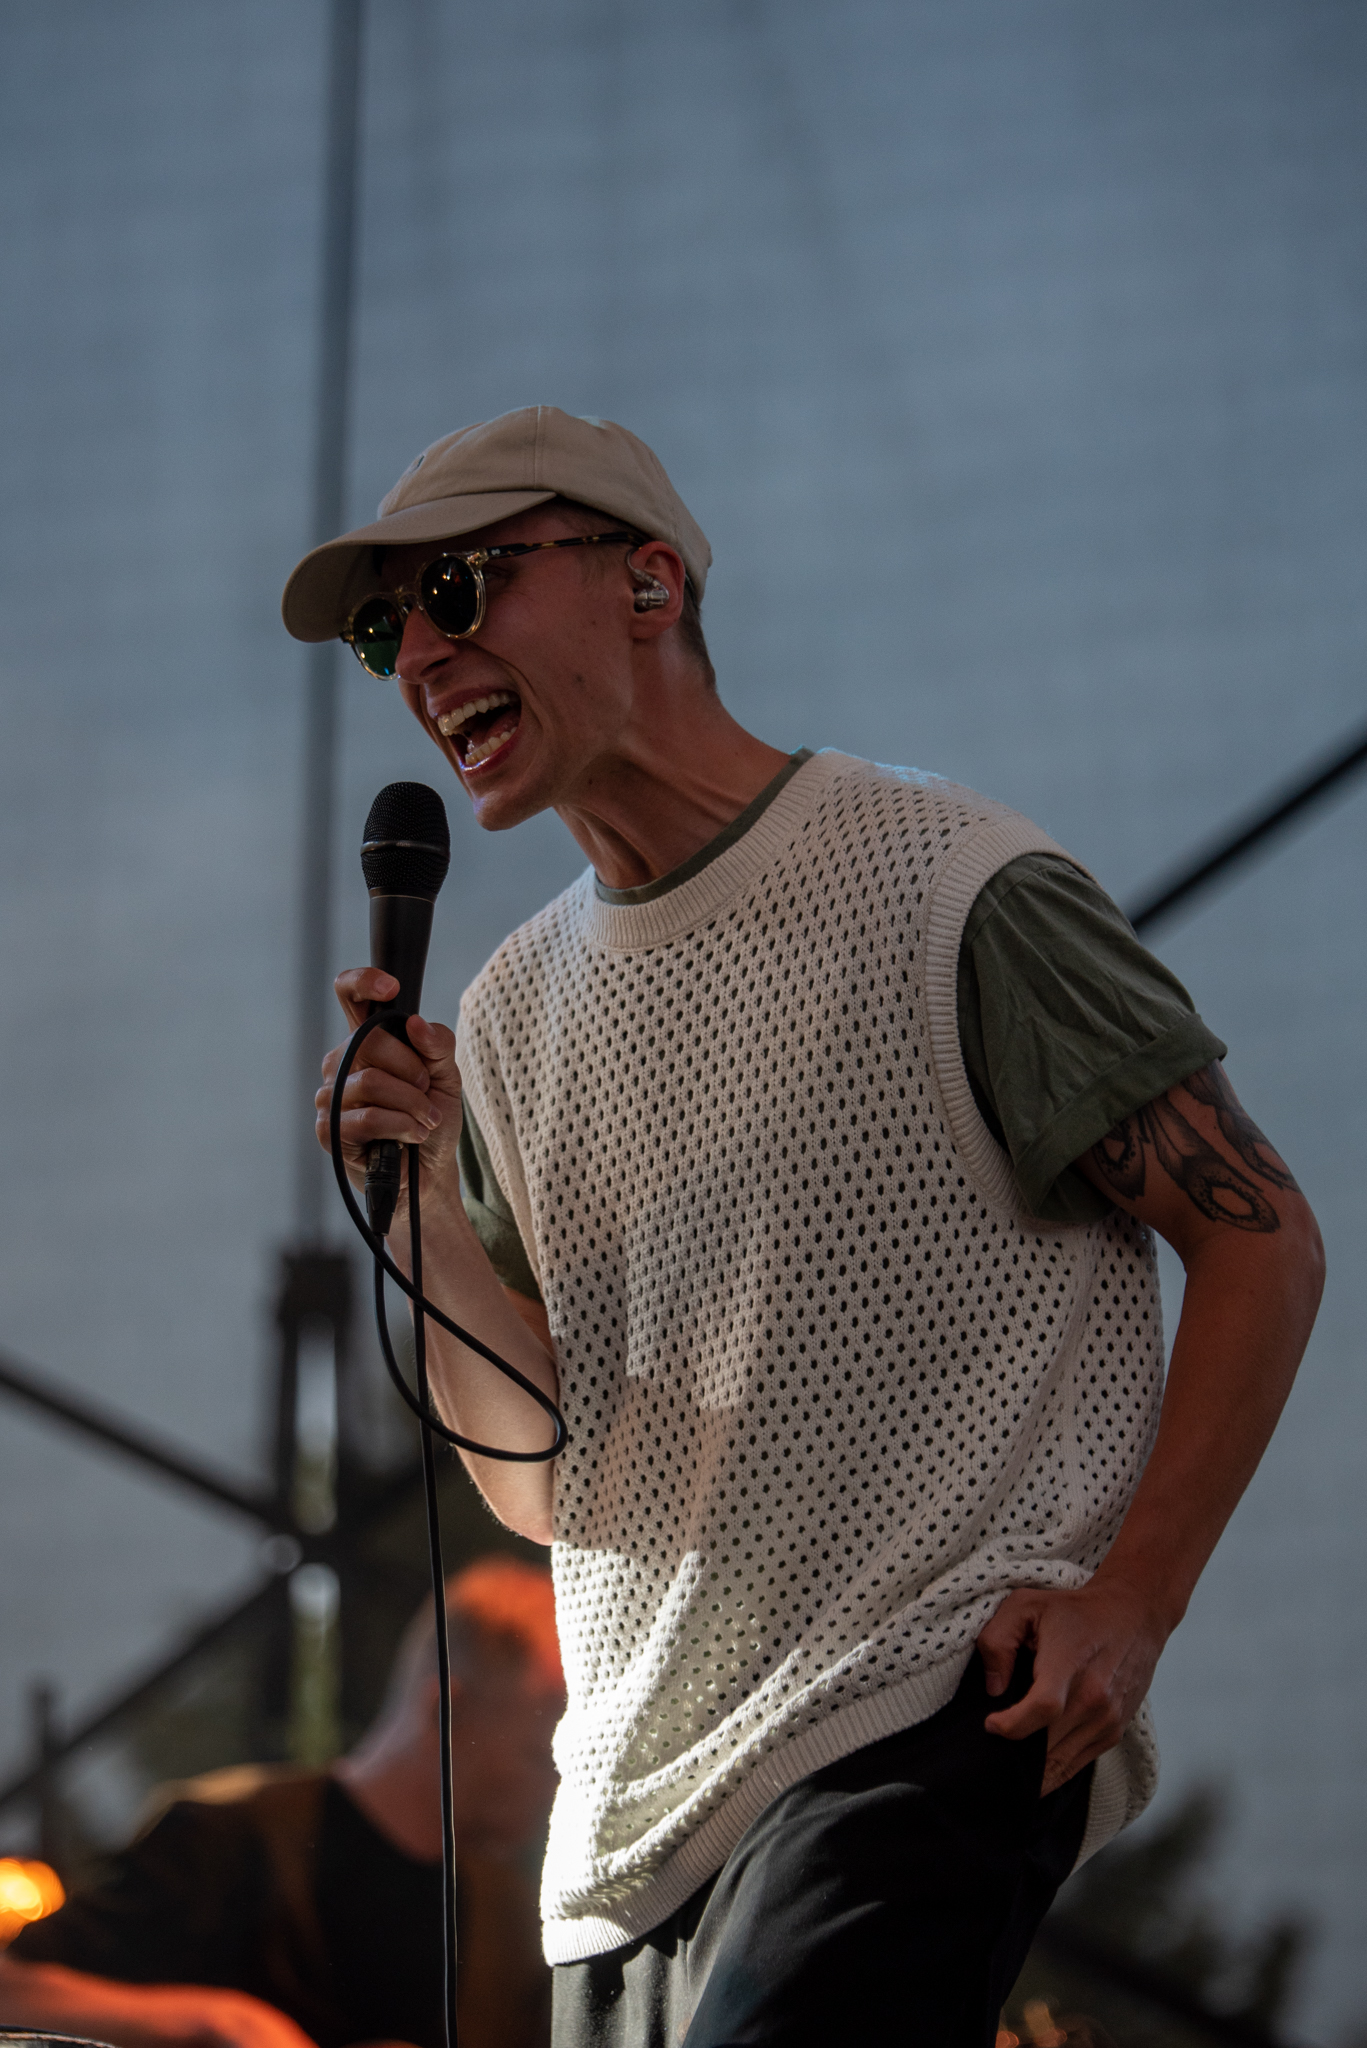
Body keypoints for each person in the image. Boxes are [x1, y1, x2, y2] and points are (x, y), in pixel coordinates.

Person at [285, 406, 1324, 2047]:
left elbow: (1261, 1240)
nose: (417, 654)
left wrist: (1134, 1595)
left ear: (647, 582)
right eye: (381, 628)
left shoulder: (944, 880)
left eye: (460, 589)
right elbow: (547, 1485)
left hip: (916, 1711)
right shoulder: (515, 1013)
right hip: (626, 1824)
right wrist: (416, 1190)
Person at [0, 1559, 563, 2048]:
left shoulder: (514, 1919)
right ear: (447, 1713)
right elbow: (10, 1993)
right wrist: (216, 2022)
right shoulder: (225, 1839)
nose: (556, 1789)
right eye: (540, 1756)